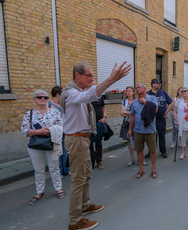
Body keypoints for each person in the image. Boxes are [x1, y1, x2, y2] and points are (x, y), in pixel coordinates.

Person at [60, 61, 131, 230]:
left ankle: (84, 205)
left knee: (86, 176)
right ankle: (75, 221)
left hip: (83, 139)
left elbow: (91, 95)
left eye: (92, 75)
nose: (92, 78)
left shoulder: (79, 92)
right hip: (76, 140)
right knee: (78, 181)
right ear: (78, 76)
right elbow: (90, 95)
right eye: (89, 75)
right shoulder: (70, 93)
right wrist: (112, 79)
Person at [21, 90, 65, 204]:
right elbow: (24, 130)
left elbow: (61, 127)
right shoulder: (29, 114)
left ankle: (58, 188)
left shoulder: (54, 113)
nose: (42, 99)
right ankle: (40, 191)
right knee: (38, 170)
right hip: (35, 145)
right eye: (39, 97)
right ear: (34, 99)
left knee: (54, 167)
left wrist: (51, 130)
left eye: (45, 97)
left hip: (52, 143)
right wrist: (38, 132)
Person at [127, 83, 158, 179]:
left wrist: (145, 102)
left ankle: (153, 169)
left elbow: (155, 110)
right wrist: (129, 129)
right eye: (136, 88)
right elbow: (132, 116)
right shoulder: (134, 102)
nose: (137, 89)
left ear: (144, 88)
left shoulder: (152, 98)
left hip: (150, 130)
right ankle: (141, 169)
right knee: (139, 150)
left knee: (152, 150)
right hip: (138, 130)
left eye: (138, 87)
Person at [120, 86, 148, 167]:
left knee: (139, 141)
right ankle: (132, 159)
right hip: (127, 124)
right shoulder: (123, 102)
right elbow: (122, 113)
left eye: (130, 91)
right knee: (130, 142)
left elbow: (140, 112)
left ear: (133, 92)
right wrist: (133, 112)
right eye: (127, 91)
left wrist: (127, 112)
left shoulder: (137, 101)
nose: (128, 92)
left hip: (137, 124)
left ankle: (141, 159)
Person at [146, 79, 172, 158]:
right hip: (151, 120)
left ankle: (163, 151)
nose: (159, 84)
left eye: (159, 83)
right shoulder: (147, 94)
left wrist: (166, 112)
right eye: (157, 83)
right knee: (151, 137)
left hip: (161, 118)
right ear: (153, 85)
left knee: (162, 135)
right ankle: (151, 151)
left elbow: (170, 103)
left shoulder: (163, 93)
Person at [48, 86, 70, 178]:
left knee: (65, 151)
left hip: (64, 130)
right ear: (57, 94)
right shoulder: (48, 105)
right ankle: (59, 172)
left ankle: (66, 170)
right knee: (57, 151)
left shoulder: (62, 104)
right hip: (55, 131)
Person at [90, 93, 106, 170]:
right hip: (89, 124)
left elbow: (103, 108)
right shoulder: (86, 96)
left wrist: (104, 118)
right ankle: (91, 162)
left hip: (98, 123)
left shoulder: (100, 97)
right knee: (89, 143)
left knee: (98, 143)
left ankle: (99, 161)